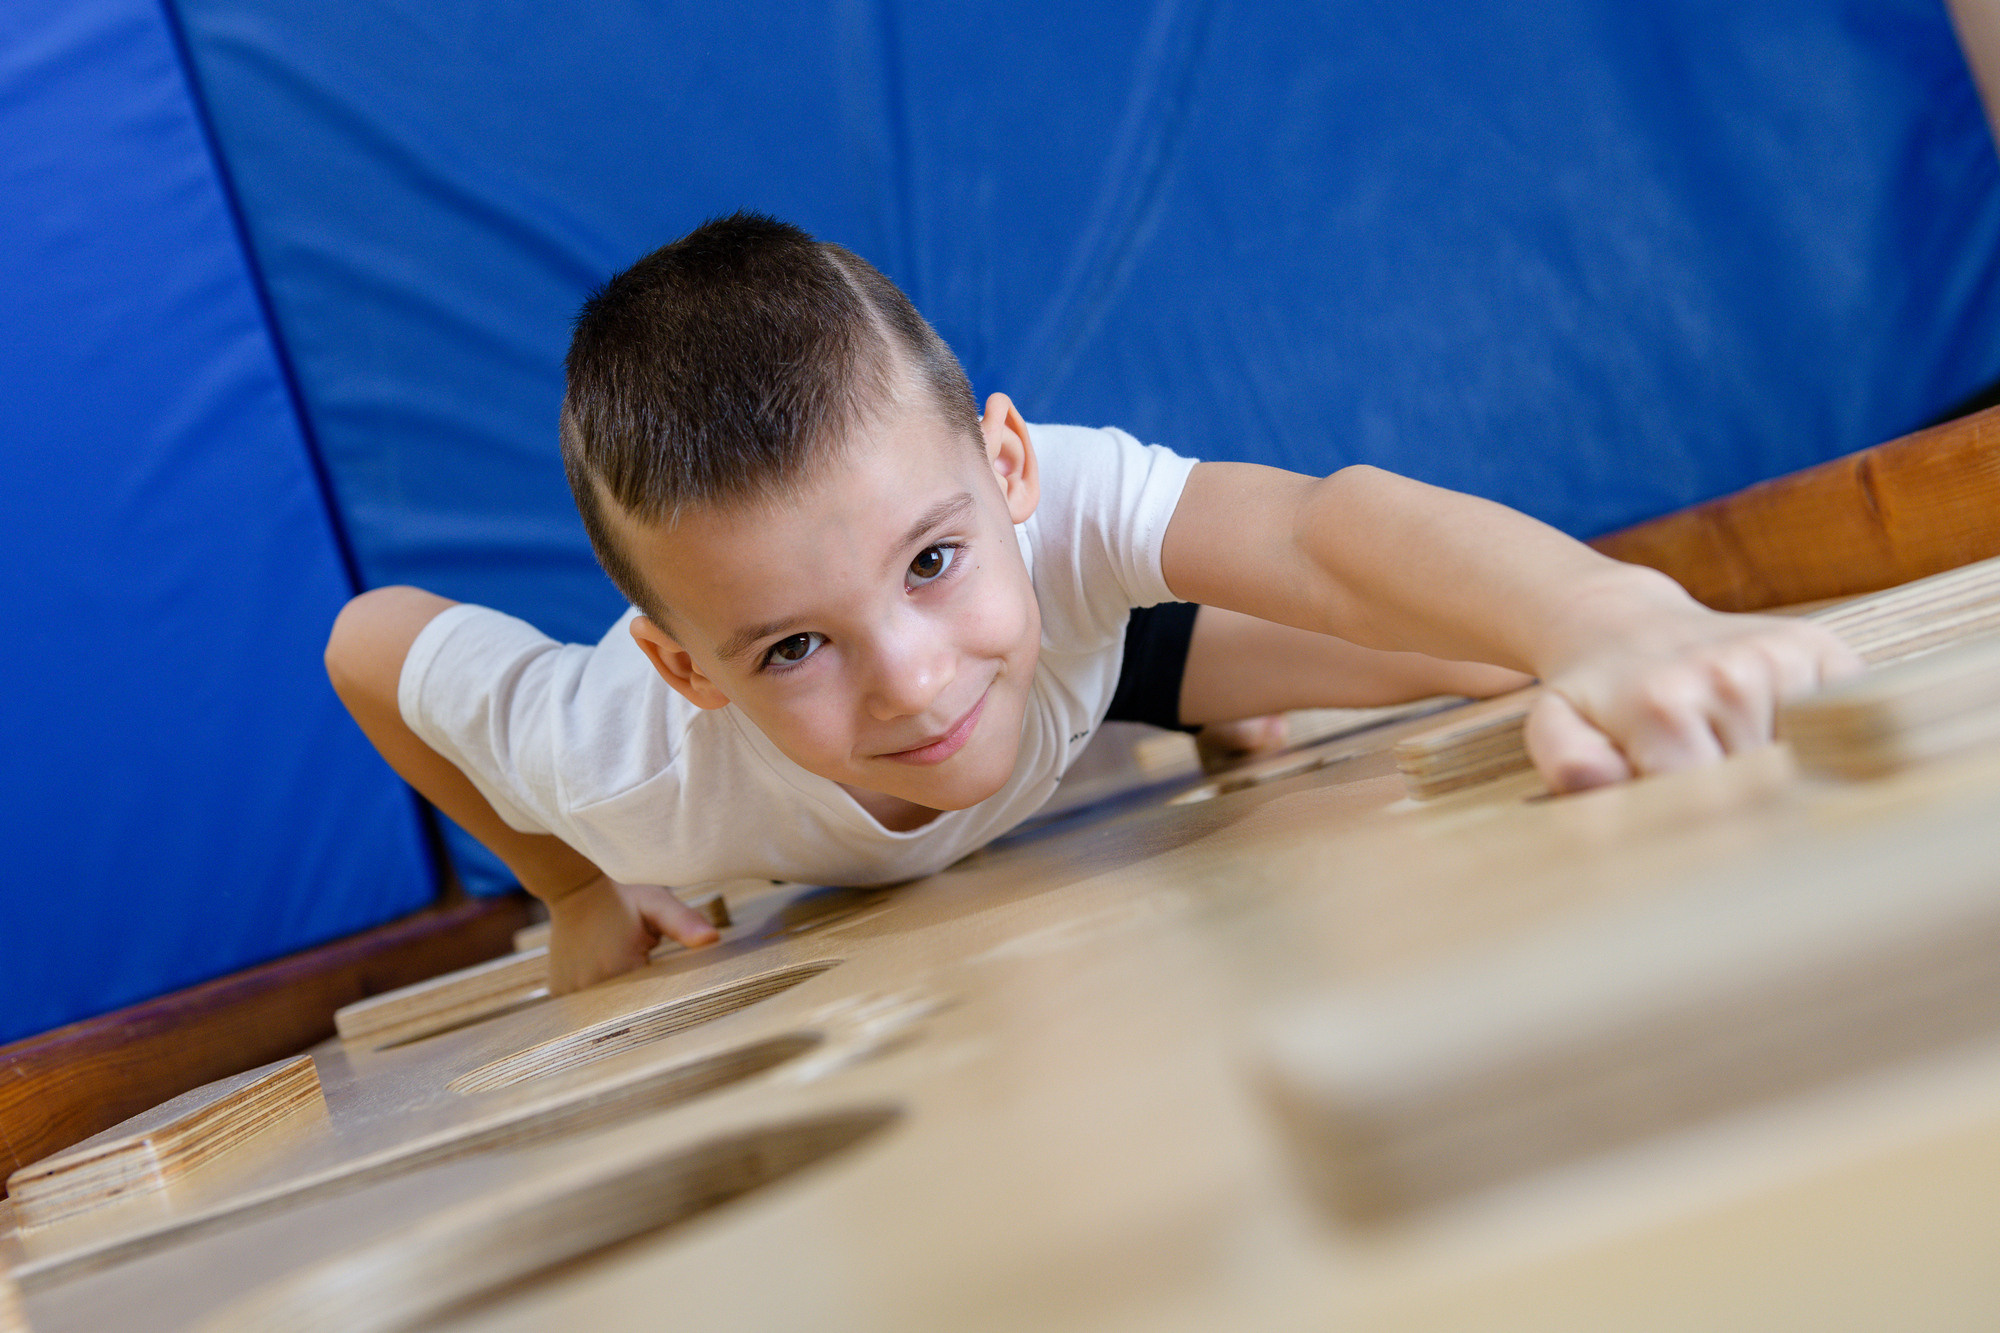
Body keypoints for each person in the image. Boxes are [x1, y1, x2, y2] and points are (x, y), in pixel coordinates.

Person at [325, 213, 1861, 993]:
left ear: (1005, 466)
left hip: (1068, 646)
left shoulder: (1050, 499)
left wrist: (1608, 620)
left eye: (930, 561)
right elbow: (370, 641)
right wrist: (578, 887)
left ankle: (1184, 674)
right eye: (794, 645)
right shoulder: (630, 774)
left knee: (1479, 646)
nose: (912, 677)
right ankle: (1180, 681)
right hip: (1044, 665)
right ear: (687, 666)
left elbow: (1330, 529)